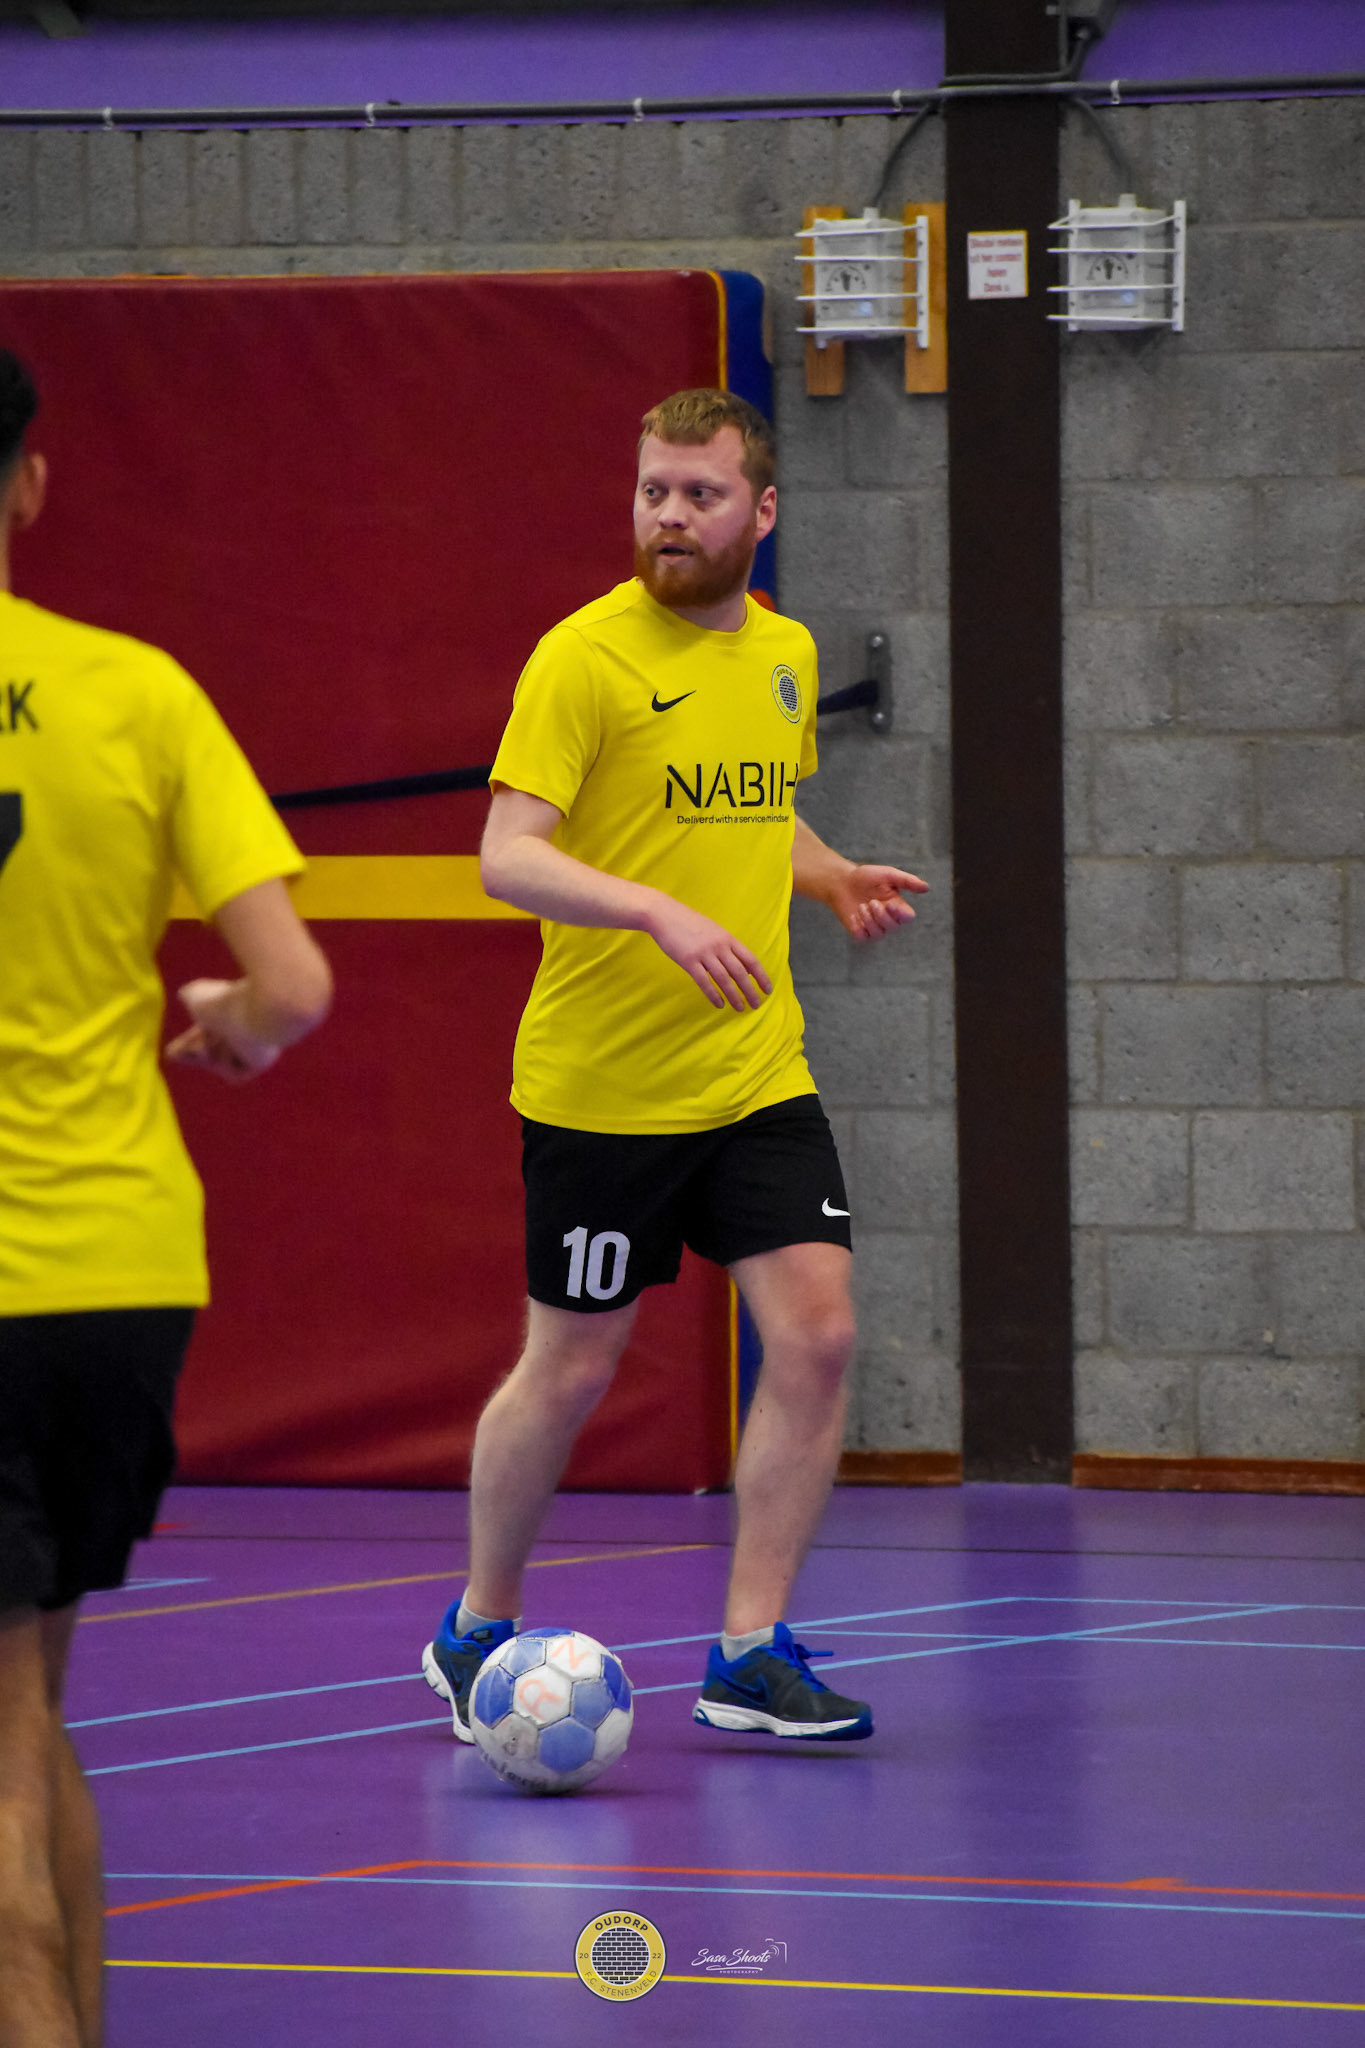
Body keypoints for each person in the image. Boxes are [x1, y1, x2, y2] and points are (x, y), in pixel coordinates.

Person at [422, 386, 926, 1748]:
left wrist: (827, 875)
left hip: (753, 1074)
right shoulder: (582, 659)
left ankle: (748, 1653)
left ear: (762, 511)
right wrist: (654, 911)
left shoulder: (783, 655)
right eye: (654, 490)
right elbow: (506, 855)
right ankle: (476, 1624)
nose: (670, 515)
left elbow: (754, 810)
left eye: (700, 494)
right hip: (604, 1091)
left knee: (817, 1334)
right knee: (570, 1370)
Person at [0, 349, 332, 2048]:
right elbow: (294, 985)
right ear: (28, 484)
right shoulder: (135, 692)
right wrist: (227, 1025)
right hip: (116, 1274)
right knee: (32, 1708)